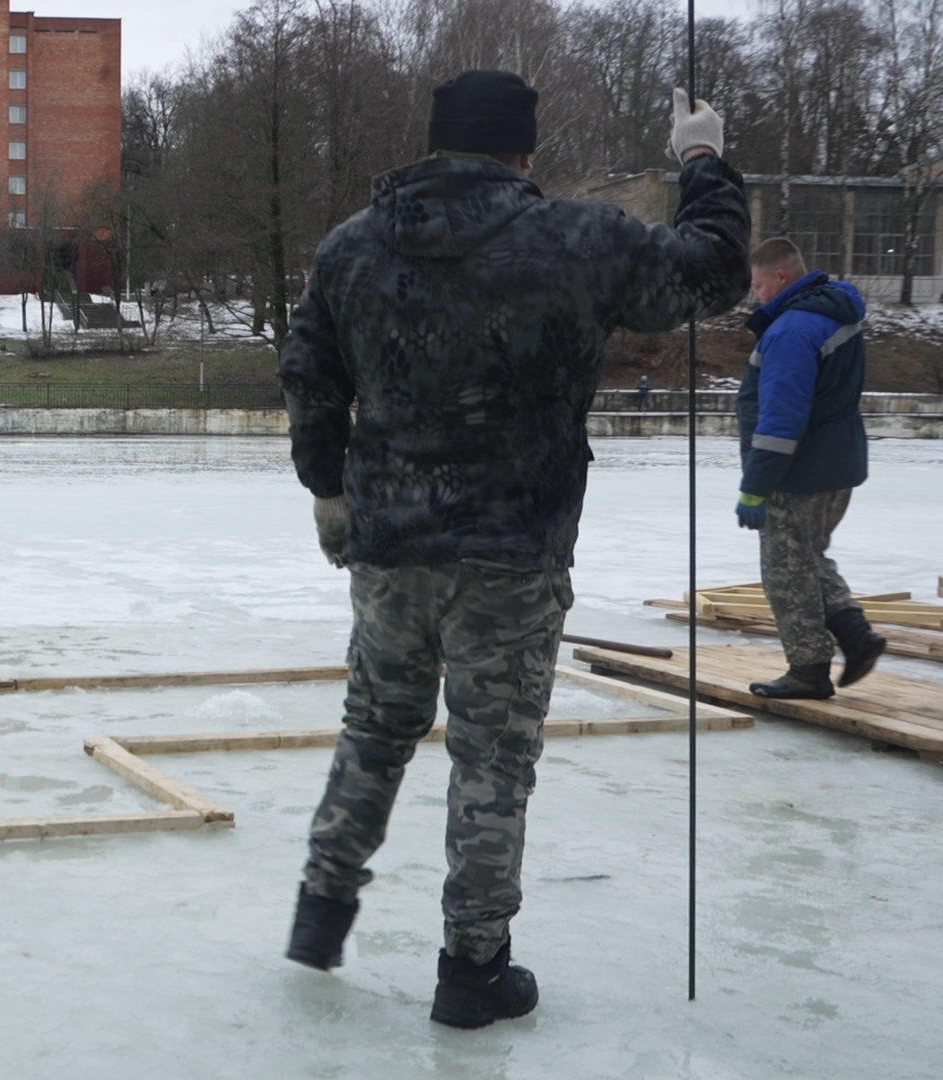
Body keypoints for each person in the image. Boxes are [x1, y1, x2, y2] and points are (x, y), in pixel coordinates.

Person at [277, 70, 750, 1029]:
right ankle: (473, 969)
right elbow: (713, 270)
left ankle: (320, 918)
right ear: (524, 153)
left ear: (434, 144)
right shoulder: (577, 237)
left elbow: (308, 375)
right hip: (514, 548)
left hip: (390, 546)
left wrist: (328, 491)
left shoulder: (351, 248)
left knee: (376, 725)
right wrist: (701, 158)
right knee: (493, 758)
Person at [735, 237, 885, 698]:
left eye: (758, 286)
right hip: (837, 461)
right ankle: (857, 636)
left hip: (797, 471)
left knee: (785, 569)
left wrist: (755, 487)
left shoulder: (791, 330)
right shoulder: (833, 313)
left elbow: (781, 417)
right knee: (807, 557)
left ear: (781, 277)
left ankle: (808, 670)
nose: (756, 295)